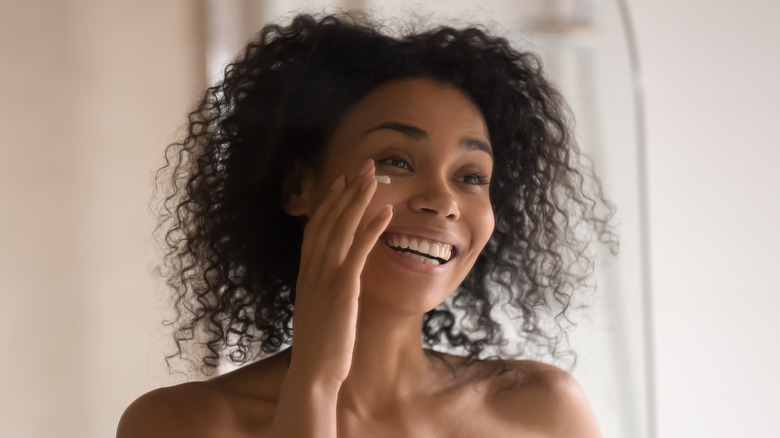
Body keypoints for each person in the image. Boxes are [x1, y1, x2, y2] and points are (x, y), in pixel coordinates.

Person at [118, 12, 615, 438]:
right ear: (298, 188)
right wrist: (314, 383)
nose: (443, 202)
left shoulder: (543, 412)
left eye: (471, 176)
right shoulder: (181, 423)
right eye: (396, 161)